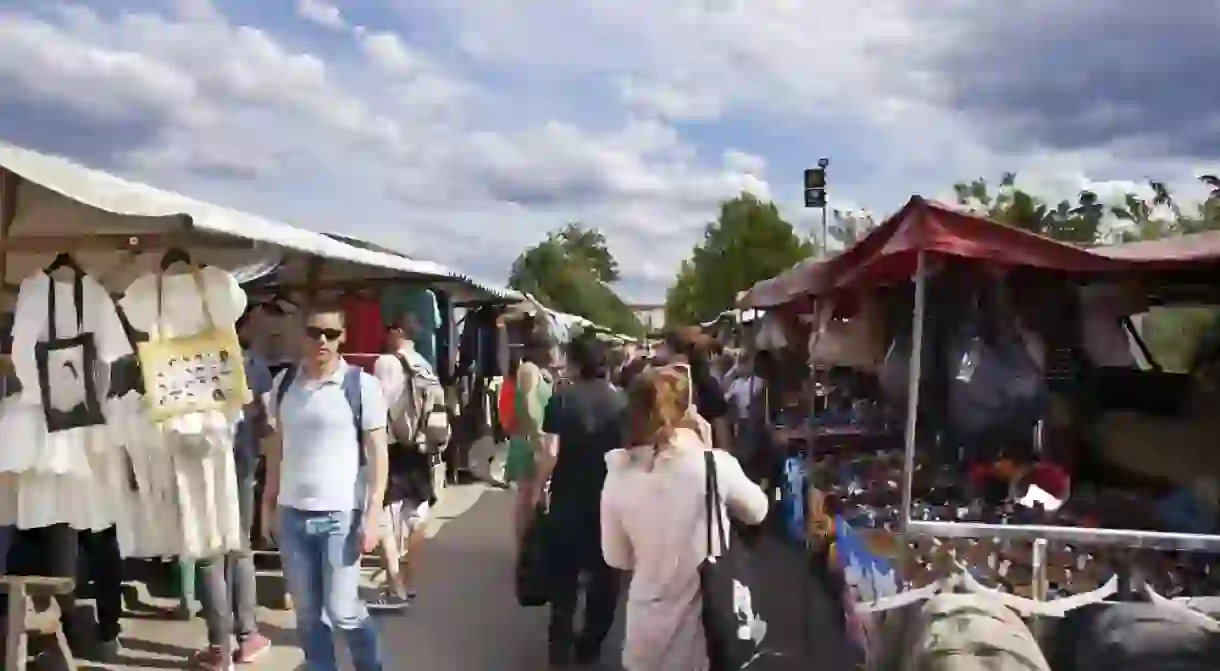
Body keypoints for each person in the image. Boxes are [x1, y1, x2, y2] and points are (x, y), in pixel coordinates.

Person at [600, 366, 769, 671]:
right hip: (705, 631)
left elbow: (618, 558)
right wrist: (706, 447)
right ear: (685, 413)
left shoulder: (617, 475)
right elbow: (758, 510)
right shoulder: (712, 465)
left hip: (646, 631)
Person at [261, 303, 389, 671]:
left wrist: (374, 513)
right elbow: (276, 448)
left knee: (343, 609)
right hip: (292, 514)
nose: (322, 341)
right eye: (314, 332)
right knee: (306, 612)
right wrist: (268, 503)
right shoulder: (284, 384)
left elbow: (378, 453)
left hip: (340, 516)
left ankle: (370, 666)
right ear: (302, 335)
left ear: (342, 337)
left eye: (331, 334)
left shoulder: (361, 386)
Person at [190, 311, 275, 669]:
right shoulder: (253, 364)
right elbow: (268, 421)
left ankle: (220, 648)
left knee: (210, 552)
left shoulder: (187, 362)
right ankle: (247, 636)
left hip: (199, 461)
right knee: (238, 548)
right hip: (241, 463)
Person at [535, 335, 624, 666]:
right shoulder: (622, 401)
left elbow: (550, 453)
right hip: (609, 503)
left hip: (567, 500)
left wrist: (536, 491)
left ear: (576, 361)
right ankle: (591, 642)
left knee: (563, 580)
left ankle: (558, 651)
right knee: (605, 578)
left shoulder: (561, 399)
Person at [369, 313, 438, 611]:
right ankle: (408, 582)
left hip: (392, 446)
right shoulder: (425, 364)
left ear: (398, 331)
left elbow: (376, 406)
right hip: (421, 446)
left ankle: (394, 585)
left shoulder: (386, 363)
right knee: (416, 515)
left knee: (381, 512)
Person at [504, 330, 555, 548]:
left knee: (535, 497)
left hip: (536, 439)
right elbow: (527, 401)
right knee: (527, 499)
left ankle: (531, 549)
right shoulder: (528, 369)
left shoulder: (540, 372)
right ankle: (524, 552)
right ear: (542, 350)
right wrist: (537, 437)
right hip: (529, 441)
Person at [658, 327, 731, 449]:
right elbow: (720, 429)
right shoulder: (709, 384)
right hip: (699, 453)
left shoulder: (662, 382)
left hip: (673, 452)